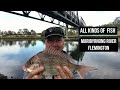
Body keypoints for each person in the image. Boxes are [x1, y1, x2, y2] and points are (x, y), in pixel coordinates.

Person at [22, 26, 95, 79]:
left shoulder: (75, 65)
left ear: (64, 42)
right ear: (45, 42)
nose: (54, 44)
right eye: (50, 40)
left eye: (58, 40)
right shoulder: (33, 64)